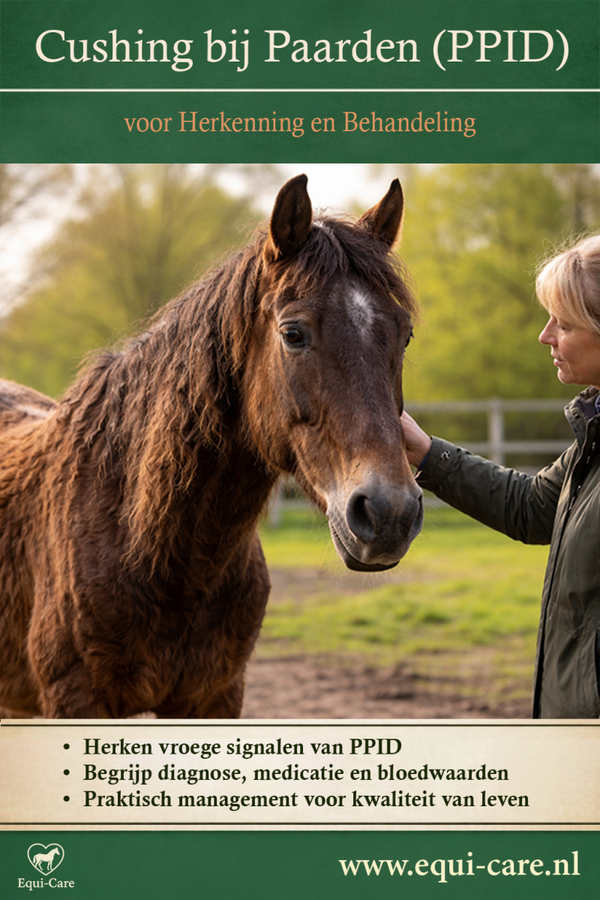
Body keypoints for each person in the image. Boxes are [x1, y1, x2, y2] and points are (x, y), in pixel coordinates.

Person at [401, 235, 600, 718]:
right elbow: (532, 508)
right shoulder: (594, 440)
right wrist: (426, 452)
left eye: (565, 323)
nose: (546, 336)